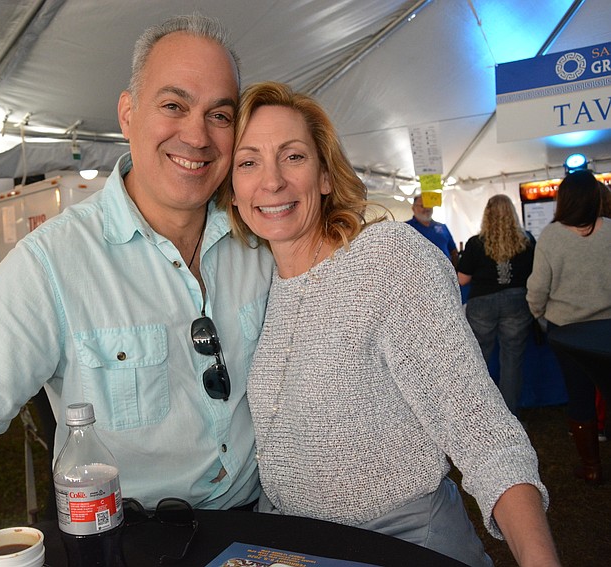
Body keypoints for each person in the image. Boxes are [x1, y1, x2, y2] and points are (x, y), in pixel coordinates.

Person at [0, 14, 273, 567]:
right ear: (128, 112)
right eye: (173, 105)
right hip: (124, 545)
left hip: (261, 533)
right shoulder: (56, 261)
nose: (197, 135)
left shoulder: (261, 238)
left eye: (219, 114)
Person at [220, 81, 559, 567]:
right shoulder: (255, 279)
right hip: (293, 544)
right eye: (248, 162)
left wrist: (539, 561)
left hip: (400, 542)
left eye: (293, 156)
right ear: (232, 191)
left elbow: (479, 427)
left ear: (325, 176)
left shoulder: (387, 260)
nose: (271, 181)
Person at [527, 169, 611, 485]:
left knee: (579, 395)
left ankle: (591, 466)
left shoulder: (552, 235)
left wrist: (539, 316)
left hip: (568, 331)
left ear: (563, 200)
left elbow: (538, 288)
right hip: (607, 329)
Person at [457, 195, 536, 417]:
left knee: (479, 360)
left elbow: (462, 279)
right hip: (517, 303)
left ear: (487, 214)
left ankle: (480, 415)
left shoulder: (476, 242)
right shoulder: (527, 240)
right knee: (512, 361)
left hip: (482, 304)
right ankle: (509, 416)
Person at [407, 194, 459, 267]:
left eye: (429, 205)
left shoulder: (442, 227)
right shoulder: (406, 228)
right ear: (413, 208)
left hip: (446, 273)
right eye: (422, 206)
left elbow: (453, 251)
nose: (427, 209)